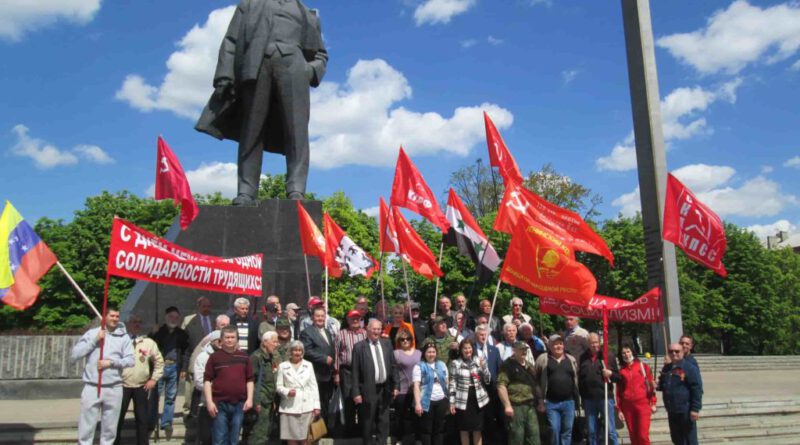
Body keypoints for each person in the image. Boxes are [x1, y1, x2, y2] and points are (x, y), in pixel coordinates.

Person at [195, 0, 328, 203]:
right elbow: (231, 40)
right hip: (256, 66)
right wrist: (224, 75)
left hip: (295, 69)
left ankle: (296, 190)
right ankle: (246, 191)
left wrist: (309, 70)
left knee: (297, 131)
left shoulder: (307, 14)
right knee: (252, 129)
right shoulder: (249, 5)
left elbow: (321, 54)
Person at [71, 308, 134, 445]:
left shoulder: (124, 337)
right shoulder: (92, 334)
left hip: (114, 387)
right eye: (112, 315)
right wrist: (95, 340)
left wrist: (111, 363)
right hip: (92, 386)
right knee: (86, 427)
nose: (115, 319)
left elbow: (130, 361)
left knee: (110, 429)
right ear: (105, 317)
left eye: (117, 316)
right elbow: (75, 355)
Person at [115, 315, 164, 445]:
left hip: (141, 386)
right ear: (127, 324)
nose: (137, 324)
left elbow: (159, 362)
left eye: (139, 322)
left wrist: (153, 379)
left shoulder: (148, 342)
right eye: (134, 322)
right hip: (122, 385)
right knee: (117, 418)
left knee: (142, 419)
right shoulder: (120, 341)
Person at [203, 326, 255, 445]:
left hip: (239, 404)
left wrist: (250, 399)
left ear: (237, 339)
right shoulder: (214, 357)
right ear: (221, 340)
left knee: (234, 440)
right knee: (219, 439)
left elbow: (250, 380)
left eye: (232, 337)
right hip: (219, 404)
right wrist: (209, 402)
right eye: (227, 337)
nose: (230, 340)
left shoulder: (244, 357)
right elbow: (207, 380)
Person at [351, 319, 399, 445]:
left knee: (384, 422)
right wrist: (356, 393)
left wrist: (396, 385)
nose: (376, 331)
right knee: (368, 422)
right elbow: (355, 372)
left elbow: (393, 366)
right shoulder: (359, 347)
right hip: (368, 389)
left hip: (385, 389)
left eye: (379, 329)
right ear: (367, 329)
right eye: (374, 329)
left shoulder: (387, 344)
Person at [149, 306, 190, 439]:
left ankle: (167, 422)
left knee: (171, 396)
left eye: (176, 318)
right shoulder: (159, 331)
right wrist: (152, 333)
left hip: (174, 367)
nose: (173, 319)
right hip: (159, 367)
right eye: (171, 317)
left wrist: (184, 368)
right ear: (166, 317)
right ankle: (152, 420)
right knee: (155, 396)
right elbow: (149, 346)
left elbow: (185, 352)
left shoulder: (182, 334)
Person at [535, 334, 579, 445]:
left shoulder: (571, 359)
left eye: (560, 343)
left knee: (567, 431)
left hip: (569, 402)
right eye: (555, 344)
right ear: (549, 346)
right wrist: (540, 400)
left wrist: (577, 400)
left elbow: (575, 379)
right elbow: (536, 381)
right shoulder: (543, 359)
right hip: (551, 403)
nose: (558, 346)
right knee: (554, 430)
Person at [578, 333, 620, 445]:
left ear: (600, 342)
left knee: (610, 430)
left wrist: (610, 373)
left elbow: (617, 377)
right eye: (592, 342)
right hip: (589, 399)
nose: (594, 345)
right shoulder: (583, 357)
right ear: (588, 343)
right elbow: (581, 379)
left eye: (596, 342)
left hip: (605, 397)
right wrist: (582, 397)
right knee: (591, 431)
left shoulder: (608, 356)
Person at [276, 340, 321, 445]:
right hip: (289, 407)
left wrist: (317, 406)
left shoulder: (308, 365)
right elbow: (278, 386)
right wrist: (287, 392)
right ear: (290, 352)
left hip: (306, 407)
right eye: (295, 350)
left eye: (300, 350)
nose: (297, 353)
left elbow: (313, 386)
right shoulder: (283, 366)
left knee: (306, 439)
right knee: (291, 439)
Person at [657, 343, 702, 445]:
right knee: (677, 439)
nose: (673, 353)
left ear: (682, 352)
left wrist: (695, 409)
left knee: (689, 439)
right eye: (671, 351)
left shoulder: (689, 368)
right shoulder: (667, 368)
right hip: (672, 409)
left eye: (677, 351)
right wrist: (658, 385)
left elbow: (696, 389)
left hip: (685, 409)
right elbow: (664, 385)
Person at [497, 341, 541, 445]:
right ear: (514, 350)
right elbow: (501, 386)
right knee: (517, 437)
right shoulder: (507, 365)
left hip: (530, 406)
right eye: (521, 349)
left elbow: (536, 385)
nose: (524, 351)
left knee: (534, 437)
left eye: (525, 349)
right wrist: (507, 405)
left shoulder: (529, 366)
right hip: (516, 406)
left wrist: (541, 401)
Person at [448, 339, 491, 445]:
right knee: (464, 429)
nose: (468, 350)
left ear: (473, 349)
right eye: (465, 348)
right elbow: (452, 383)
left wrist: (484, 367)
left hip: (478, 400)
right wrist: (452, 402)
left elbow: (488, 380)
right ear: (461, 350)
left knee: (478, 429)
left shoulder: (478, 360)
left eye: (469, 348)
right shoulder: (455, 363)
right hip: (463, 401)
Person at [182, 297, 216, 429]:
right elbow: (187, 346)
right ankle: (190, 415)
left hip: (210, 361)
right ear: (198, 306)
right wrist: (184, 367)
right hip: (195, 361)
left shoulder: (214, 321)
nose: (206, 308)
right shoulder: (191, 322)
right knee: (192, 391)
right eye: (204, 306)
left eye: (208, 306)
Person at [299, 305, 335, 424]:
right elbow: (306, 351)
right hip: (316, 375)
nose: (320, 318)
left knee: (325, 403)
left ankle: (324, 428)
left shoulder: (327, 332)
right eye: (318, 316)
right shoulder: (306, 333)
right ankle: (315, 431)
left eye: (322, 316)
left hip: (328, 376)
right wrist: (324, 358)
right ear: (312, 318)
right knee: (316, 404)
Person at [334, 310, 367, 437]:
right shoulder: (341, 334)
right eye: (352, 318)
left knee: (363, 400)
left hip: (363, 372)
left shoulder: (365, 334)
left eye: (357, 318)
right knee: (348, 400)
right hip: (346, 371)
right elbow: (336, 354)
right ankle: (349, 430)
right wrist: (336, 373)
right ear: (347, 319)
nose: (355, 320)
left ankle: (362, 429)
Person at [616, 343, 656, 445]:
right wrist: (619, 409)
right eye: (623, 353)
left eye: (628, 351)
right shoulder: (621, 371)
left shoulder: (643, 367)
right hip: (628, 407)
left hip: (643, 405)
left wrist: (653, 402)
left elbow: (651, 386)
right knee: (633, 436)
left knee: (643, 436)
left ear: (632, 352)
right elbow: (618, 392)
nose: (626, 354)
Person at [245, 331, 280, 445]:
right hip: (260, 401)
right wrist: (256, 402)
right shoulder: (256, 357)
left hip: (270, 401)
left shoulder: (273, 356)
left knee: (266, 432)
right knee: (258, 434)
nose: (277, 344)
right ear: (265, 342)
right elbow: (250, 381)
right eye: (274, 341)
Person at [413, 342, 450, 445]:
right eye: (429, 352)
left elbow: (447, 382)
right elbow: (416, 386)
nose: (431, 354)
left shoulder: (442, 364)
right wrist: (417, 403)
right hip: (426, 401)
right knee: (426, 430)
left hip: (441, 400)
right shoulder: (419, 366)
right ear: (424, 353)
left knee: (439, 429)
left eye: (433, 352)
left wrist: (450, 400)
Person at [473, 323, 504, 445]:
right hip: (476, 390)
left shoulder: (494, 350)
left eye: (485, 334)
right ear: (476, 335)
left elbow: (499, 369)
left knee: (492, 418)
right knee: (480, 419)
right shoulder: (471, 349)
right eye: (481, 335)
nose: (483, 337)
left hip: (492, 391)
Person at [393, 328, 421, 445]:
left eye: (408, 339)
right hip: (402, 390)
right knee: (401, 416)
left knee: (417, 415)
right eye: (402, 339)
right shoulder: (396, 354)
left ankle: (418, 438)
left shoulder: (419, 353)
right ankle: (399, 438)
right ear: (399, 341)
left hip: (417, 390)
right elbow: (393, 372)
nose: (405, 341)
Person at [194, 331, 222, 445]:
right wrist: (219, 386)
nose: (221, 343)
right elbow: (199, 381)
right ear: (212, 341)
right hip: (207, 404)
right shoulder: (203, 357)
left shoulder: (230, 355)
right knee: (206, 437)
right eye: (219, 340)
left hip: (225, 404)